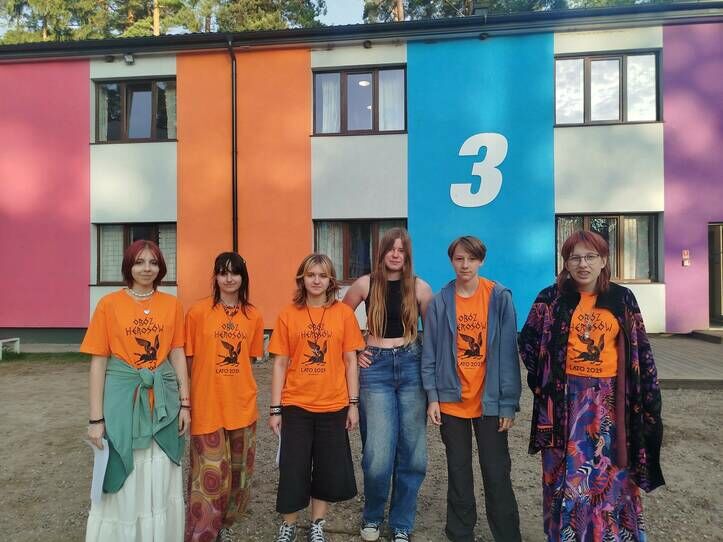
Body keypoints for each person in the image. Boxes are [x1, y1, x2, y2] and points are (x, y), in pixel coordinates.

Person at [518, 230, 665, 541]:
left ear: (603, 260)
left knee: (609, 476)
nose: (582, 264)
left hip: (609, 403)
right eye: (575, 258)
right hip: (564, 403)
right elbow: (528, 341)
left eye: (590, 257)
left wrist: (649, 402)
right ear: (566, 263)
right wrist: (546, 384)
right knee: (565, 474)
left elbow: (641, 349)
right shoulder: (550, 298)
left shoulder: (622, 298)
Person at [81, 239, 190, 542]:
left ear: (161, 267)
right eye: (139, 261)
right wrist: (96, 420)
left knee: (159, 468)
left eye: (153, 262)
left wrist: (185, 403)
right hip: (123, 401)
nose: (146, 268)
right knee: (126, 468)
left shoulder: (172, 305)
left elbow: (177, 353)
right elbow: (98, 363)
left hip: (163, 401)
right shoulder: (109, 304)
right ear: (128, 265)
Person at [421, 236, 521, 542]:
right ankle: (460, 533)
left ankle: (507, 535)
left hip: (490, 402)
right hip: (452, 402)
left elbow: (509, 355)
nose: (465, 265)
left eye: (472, 259)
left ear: (481, 261)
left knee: (496, 471)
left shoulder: (499, 297)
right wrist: (432, 397)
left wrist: (508, 403)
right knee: (458, 471)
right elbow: (430, 353)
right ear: (451, 261)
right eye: (459, 259)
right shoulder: (440, 302)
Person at [342, 227, 433, 542]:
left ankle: (402, 522)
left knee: (413, 452)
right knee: (378, 452)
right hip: (375, 369)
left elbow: (434, 333)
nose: (396, 254)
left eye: (401, 249)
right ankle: (372, 517)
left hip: (411, 366)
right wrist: (357, 348)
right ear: (381, 253)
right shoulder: (365, 284)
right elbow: (338, 320)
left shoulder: (420, 288)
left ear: (407, 255)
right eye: (391, 249)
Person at [268, 253, 365, 542]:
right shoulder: (288, 314)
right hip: (296, 405)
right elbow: (280, 364)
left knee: (325, 469)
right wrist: (275, 409)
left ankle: (317, 524)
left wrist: (353, 404)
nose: (316, 280)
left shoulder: (343, 314)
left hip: (333, 405)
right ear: (302, 279)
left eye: (322, 275)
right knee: (293, 469)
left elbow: (351, 361)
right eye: (311, 275)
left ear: (331, 280)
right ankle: (288, 525)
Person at [184, 252, 265, 542]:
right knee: (209, 475)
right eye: (223, 272)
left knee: (240, 476)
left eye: (235, 273)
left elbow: (249, 360)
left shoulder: (253, 315)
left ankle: (225, 526)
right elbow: (189, 359)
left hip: (242, 405)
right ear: (216, 277)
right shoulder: (197, 312)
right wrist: (193, 394)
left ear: (243, 277)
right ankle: (202, 534)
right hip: (207, 404)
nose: (229, 278)